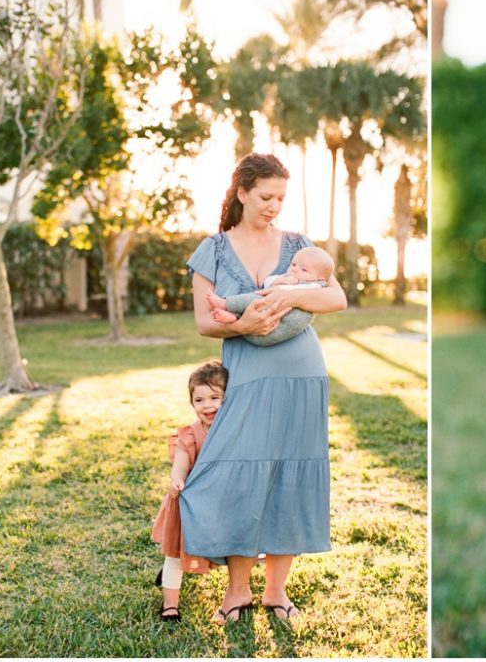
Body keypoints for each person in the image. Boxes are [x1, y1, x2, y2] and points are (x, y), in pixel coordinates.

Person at [179, 152, 347, 625]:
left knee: (289, 476)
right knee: (238, 474)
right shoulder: (212, 249)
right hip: (248, 373)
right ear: (242, 193)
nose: (274, 206)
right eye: (266, 197)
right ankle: (237, 592)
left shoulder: (298, 245)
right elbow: (202, 323)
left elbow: (336, 296)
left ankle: (276, 591)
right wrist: (244, 323)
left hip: (302, 372)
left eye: (281, 198)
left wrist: (290, 294)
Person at [151, 360, 227, 621]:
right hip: (188, 504)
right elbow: (180, 466)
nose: (208, 406)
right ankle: (169, 605)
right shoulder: (190, 435)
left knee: (227, 551)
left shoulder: (234, 431)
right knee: (175, 554)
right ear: (192, 403)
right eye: (199, 400)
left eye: (215, 398)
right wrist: (177, 481)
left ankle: (239, 592)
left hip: (218, 505)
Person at [205, 246, 335, 347]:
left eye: (304, 270)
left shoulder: (316, 286)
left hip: (279, 328)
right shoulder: (288, 277)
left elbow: (311, 294)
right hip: (259, 327)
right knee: (258, 299)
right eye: (293, 265)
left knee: (259, 299)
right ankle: (232, 314)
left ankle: (228, 306)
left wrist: (292, 287)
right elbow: (267, 283)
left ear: (320, 278)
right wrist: (279, 281)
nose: (295, 270)